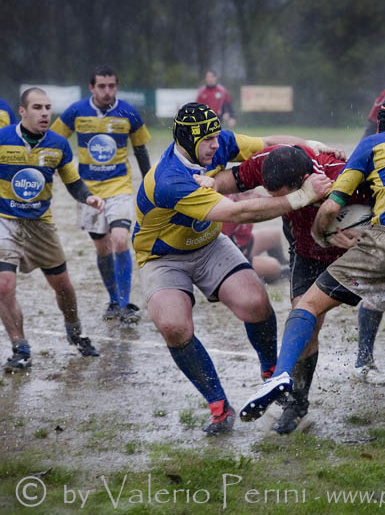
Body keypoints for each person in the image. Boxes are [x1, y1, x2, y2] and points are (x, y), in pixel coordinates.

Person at [240, 96, 385, 445]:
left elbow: (330, 208)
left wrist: (322, 234)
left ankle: (279, 377)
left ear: (381, 124)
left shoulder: (372, 144)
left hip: (383, 244)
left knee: (306, 306)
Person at [132, 102, 332, 436]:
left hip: (208, 244)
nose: (216, 144)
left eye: (215, 136)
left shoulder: (219, 143)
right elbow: (238, 214)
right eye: (207, 139)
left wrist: (309, 144)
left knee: (255, 302)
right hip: (162, 256)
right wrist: (301, 198)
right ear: (186, 140)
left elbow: (269, 144)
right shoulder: (169, 179)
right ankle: (218, 406)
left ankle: (271, 376)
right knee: (174, 326)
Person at [1, 88, 104, 372]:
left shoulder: (58, 144)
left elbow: (73, 182)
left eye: (48, 107)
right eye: (37, 107)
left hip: (41, 226)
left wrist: (88, 197)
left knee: (64, 287)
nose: (45, 112)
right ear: (22, 111)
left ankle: (74, 329)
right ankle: (20, 348)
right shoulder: (3, 139)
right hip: (5, 222)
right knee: (3, 286)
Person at [52, 66, 151, 324]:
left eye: (112, 86)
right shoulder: (76, 111)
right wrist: (47, 168)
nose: (107, 91)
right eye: (102, 86)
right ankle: (112, 299)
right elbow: (53, 142)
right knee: (102, 248)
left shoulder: (128, 112)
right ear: (92, 88)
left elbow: (140, 150)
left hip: (119, 186)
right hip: (88, 191)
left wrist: (151, 182)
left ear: (116, 86)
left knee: (120, 240)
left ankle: (124, 303)